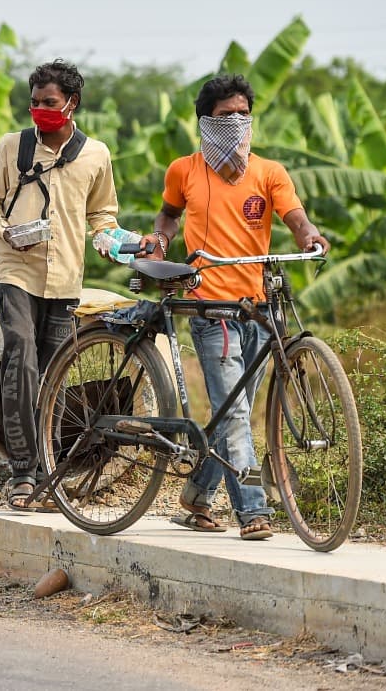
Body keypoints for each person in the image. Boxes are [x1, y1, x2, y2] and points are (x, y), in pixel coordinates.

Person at [147, 73, 329, 541]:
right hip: (211, 310)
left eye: (243, 115)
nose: (236, 122)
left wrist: (307, 235)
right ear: (205, 122)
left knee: (235, 410)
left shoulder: (269, 172)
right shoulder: (183, 170)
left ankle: (196, 496)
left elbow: (295, 215)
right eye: (225, 116)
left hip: (258, 311)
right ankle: (253, 511)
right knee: (233, 417)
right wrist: (161, 238)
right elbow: (168, 214)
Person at [0, 60, 121, 511]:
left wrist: (108, 238)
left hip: (66, 275)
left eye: (49, 102)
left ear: (72, 104)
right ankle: (23, 470)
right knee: (20, 352)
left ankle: (48, 466)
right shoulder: (10, 147)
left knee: (54, 367)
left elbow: (102, 213)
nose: (40, 109)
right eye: (34, 102)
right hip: (14, 267)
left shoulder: (95, 154)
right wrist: (3, 230)